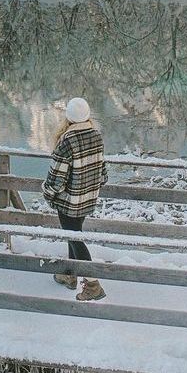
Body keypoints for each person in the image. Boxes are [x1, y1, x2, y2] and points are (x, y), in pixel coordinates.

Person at [42, 97, 108, 301]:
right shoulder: (96, 136)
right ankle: (70, 274)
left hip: (69, 201)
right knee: (74, 233)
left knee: (74, 238)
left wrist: (47, 192)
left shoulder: (66, 141)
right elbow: (103, 174)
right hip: (87, 199)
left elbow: (56, 179)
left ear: (68, 118)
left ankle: (93, 284)